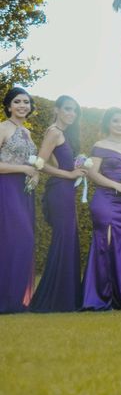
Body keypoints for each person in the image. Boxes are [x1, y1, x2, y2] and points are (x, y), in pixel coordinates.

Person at [30, 95, 87, 312]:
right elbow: (40, 163)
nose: (71, 114)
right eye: (68, 109)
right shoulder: (54, 132)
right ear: (57, 109)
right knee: (63, 239)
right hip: (59, 190)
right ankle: (54, 298)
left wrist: (78, 169)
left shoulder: (63, 134)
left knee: (68, 238)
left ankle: (67, 297)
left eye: (75, 111)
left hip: (66, 191)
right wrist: (69, 174)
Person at [82, 108, 121, 310]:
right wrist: (116, 185)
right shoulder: (100, 145)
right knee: (104, 241)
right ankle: (98, 297)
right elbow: (92, 173)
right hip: (104, 199)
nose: (120, 124)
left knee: (120, 244)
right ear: (108, 123)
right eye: (116, 121)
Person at [0, 87, 38, 313]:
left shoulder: (27, 133)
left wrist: (34, 173)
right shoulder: (3, 128)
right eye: (17, 101)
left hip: (24, 192)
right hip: (6, 188)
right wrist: (24, 168)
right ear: (8, 105)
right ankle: (7, 299)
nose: (23, 105)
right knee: (18, 239)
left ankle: (15, 299)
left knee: (23, 241)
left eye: (26, 101)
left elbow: (31, 164)